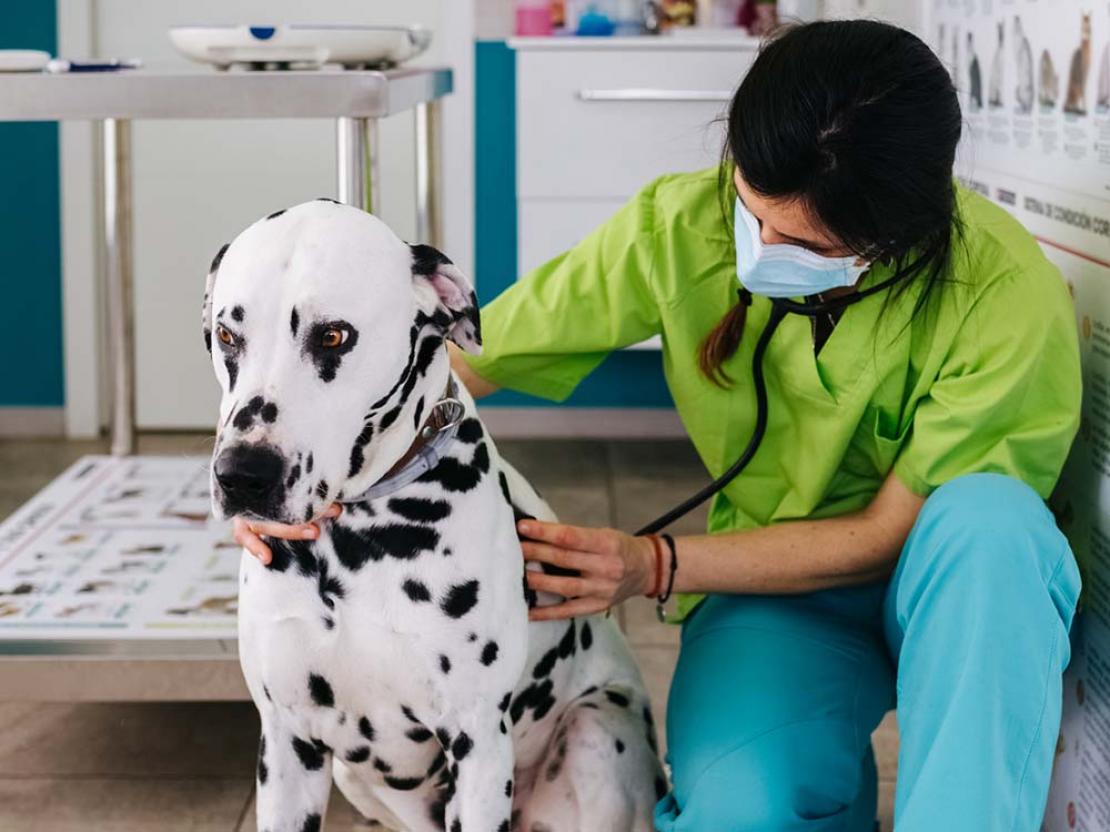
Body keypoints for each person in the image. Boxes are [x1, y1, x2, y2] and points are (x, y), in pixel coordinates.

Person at [234, 20, 1082, 832]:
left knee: (993, 529)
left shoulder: (1004, 297)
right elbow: (457, 362)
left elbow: (890, 529)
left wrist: (653, 563)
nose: (760, 244)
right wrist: (302, 467)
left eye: (803, 244)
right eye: (753, 211)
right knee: (737, 811)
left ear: (899, 232)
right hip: (777, 586)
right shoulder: (681, 227)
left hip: (946, 582)